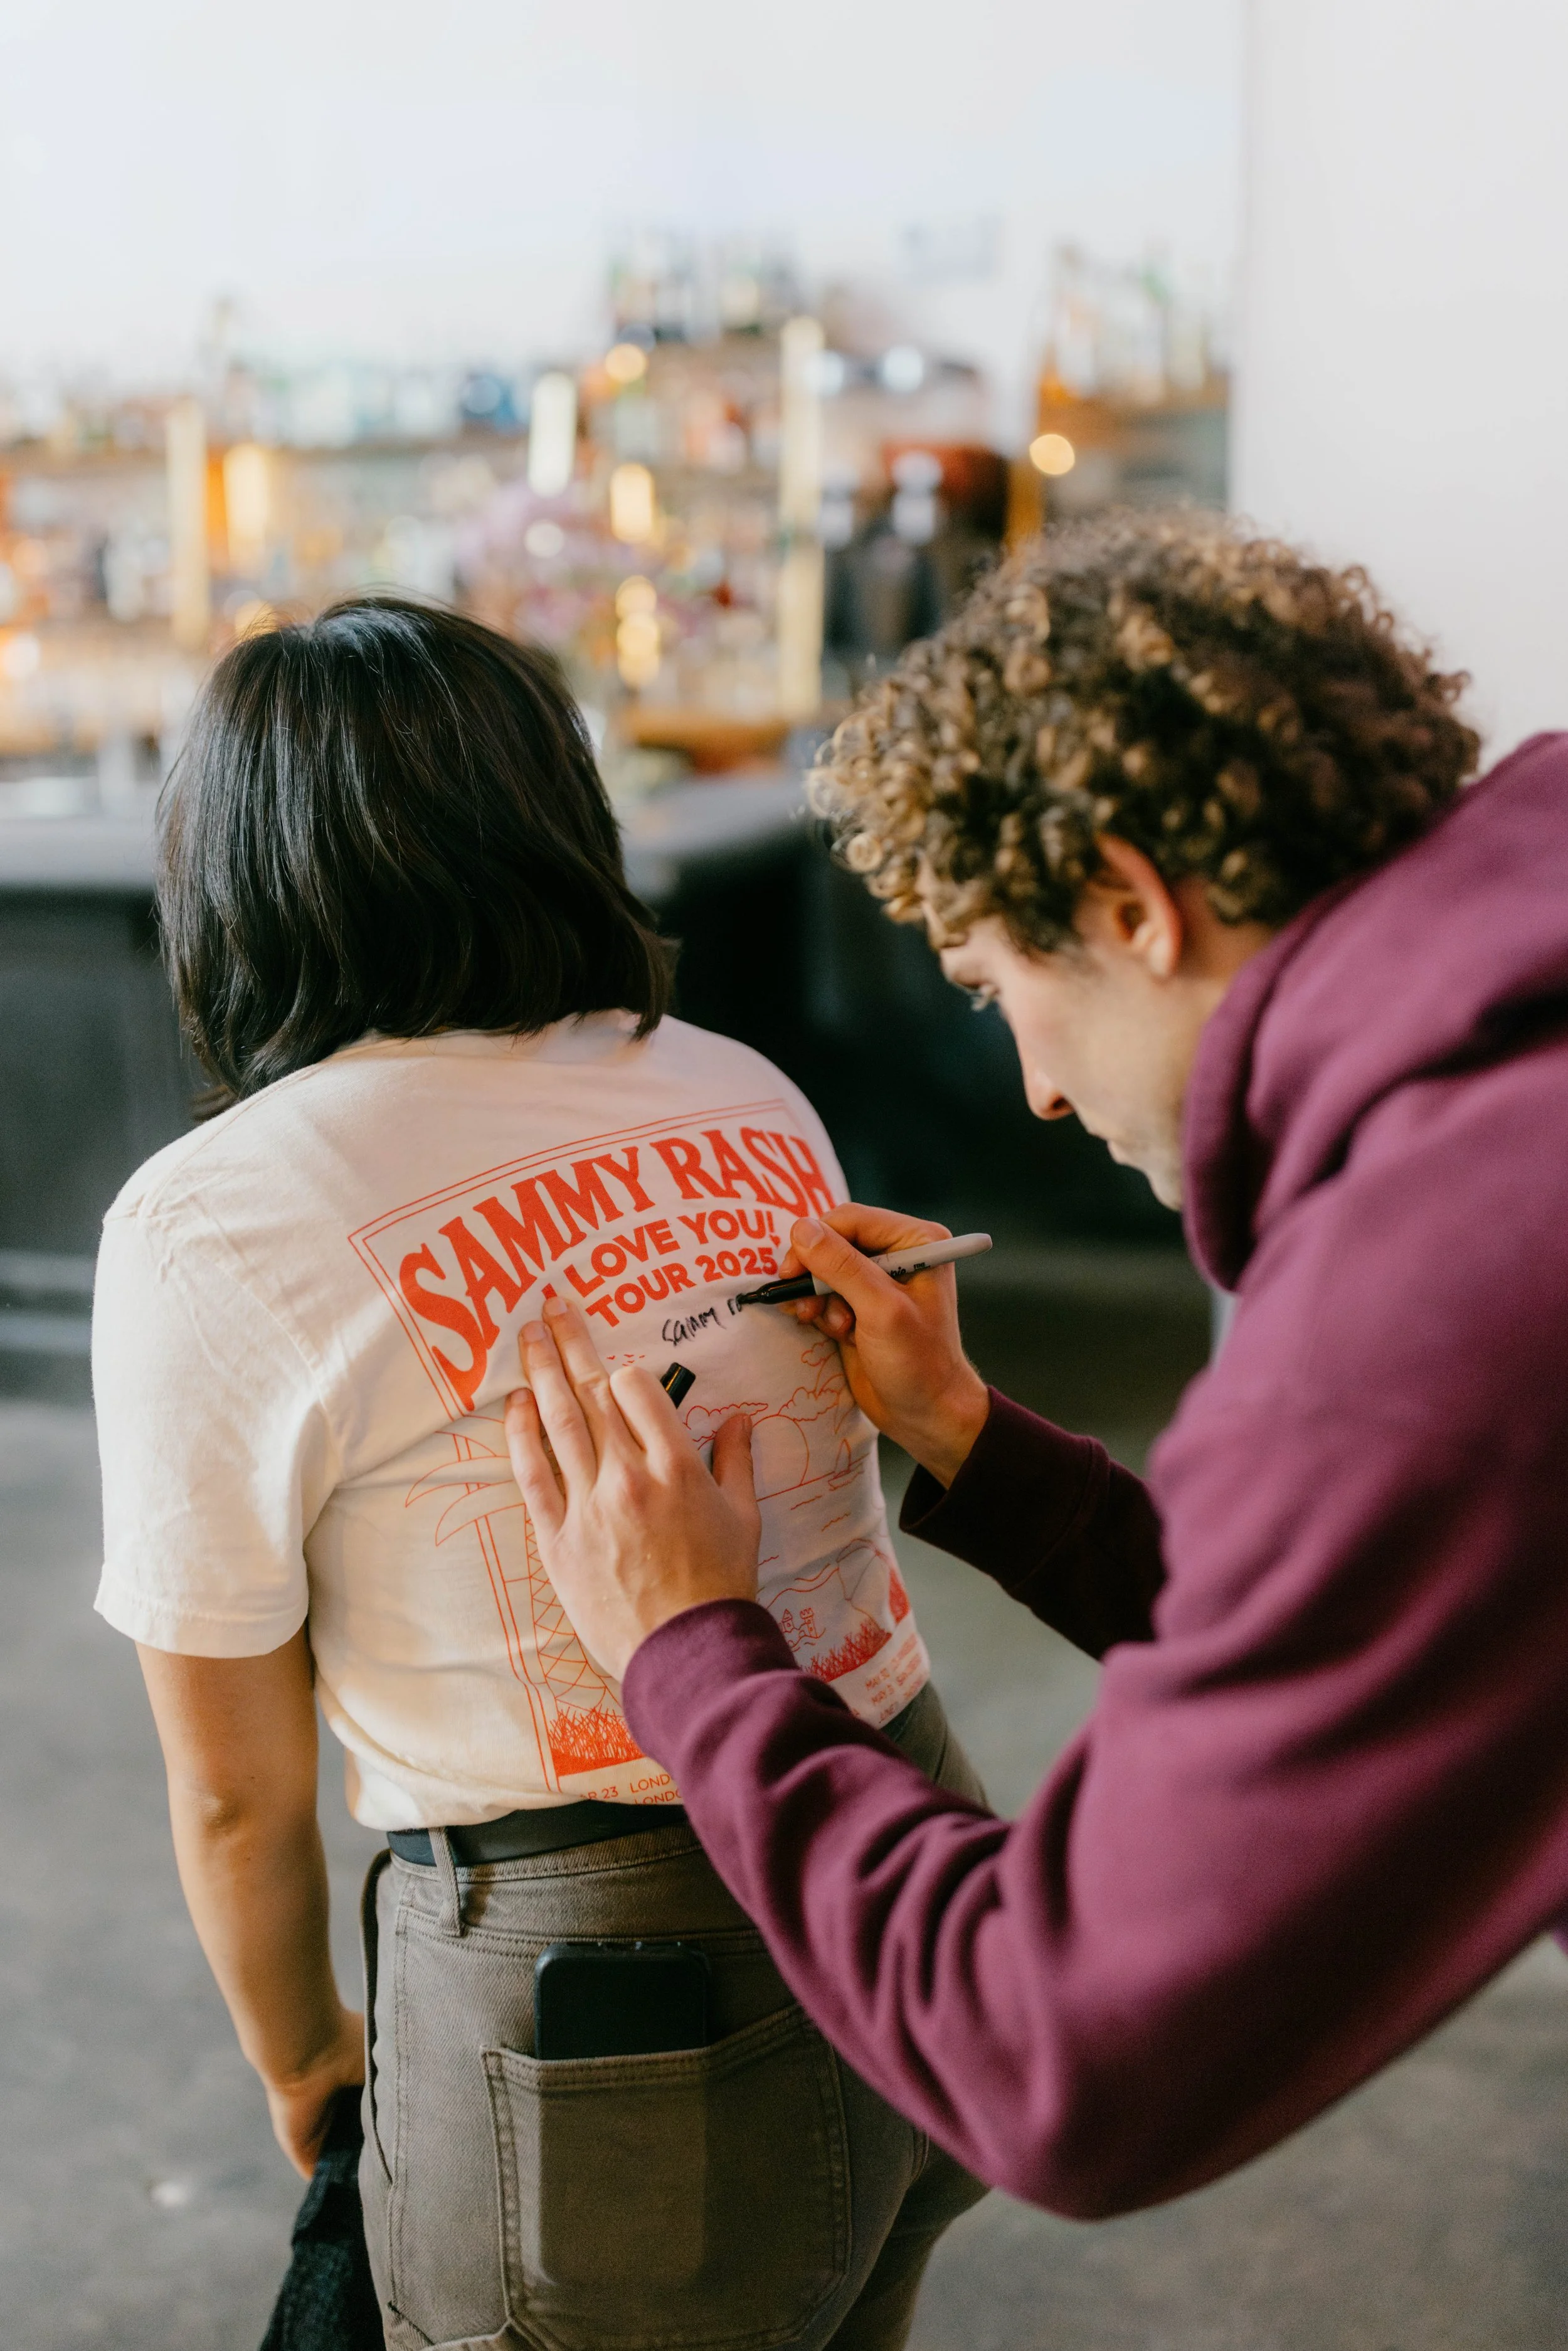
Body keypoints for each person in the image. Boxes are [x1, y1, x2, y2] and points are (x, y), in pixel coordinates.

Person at [502, 509, 1568, 2219]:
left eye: (1000, 992)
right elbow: (1399, 1636)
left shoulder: (1422, 1292)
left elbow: (1051, 2056)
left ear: (1130, 906)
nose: (1041, 1096)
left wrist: (688, 1650)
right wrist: (981, 1450)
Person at [93, 595, 985, 2351]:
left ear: (242, 869)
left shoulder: (219, 1215)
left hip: (607, 1985)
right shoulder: (742, 1085)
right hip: (909, 1839)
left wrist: (309, 2064)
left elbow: (231, 1792)